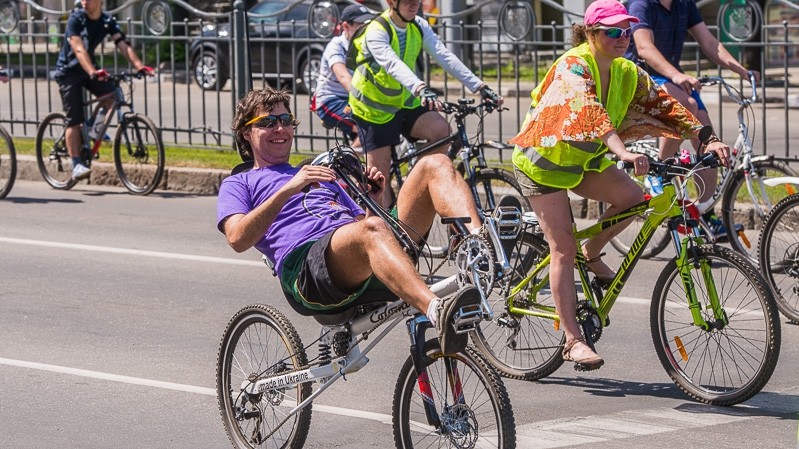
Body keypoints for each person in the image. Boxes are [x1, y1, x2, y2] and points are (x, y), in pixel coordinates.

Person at [509, 0, 731, 370]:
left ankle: (592, 253)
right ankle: (573, 340)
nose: (622, 37)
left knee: (633, 197)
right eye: (613, 32)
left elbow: (666, 105)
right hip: (544, 164)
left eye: (626, 31)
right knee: (562, 246)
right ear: (591, 33)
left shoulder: (627, 71)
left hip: (584, 160)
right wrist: (622, 152)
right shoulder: (573, 65)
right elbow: (588, 109)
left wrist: (707, 138)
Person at [217, 87, 486, 355]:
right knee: (371, 230)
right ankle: (437, 311)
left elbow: (366, 229)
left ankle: (481, 248)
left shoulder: (318, 174)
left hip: (358, 254)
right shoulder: (240, 183)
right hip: (308, 269)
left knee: (435, 163)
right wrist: (288, 188)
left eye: (286, 121)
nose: (280, 129)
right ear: (246, 132)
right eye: (267, 122)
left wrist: (374, 200)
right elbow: (237, 238)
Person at [347, 0, 503, 206]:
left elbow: (443, 54)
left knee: (441, 131)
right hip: (375, 108)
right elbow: (393, 64)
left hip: (406, 101)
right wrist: (420, 87)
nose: (415, 5)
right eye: (409, 1)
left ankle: (415, 187)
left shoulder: (418, 25)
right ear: (392, 2)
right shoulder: (376, 30)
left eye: (418, 1)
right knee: (378, 185)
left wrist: (480, 87)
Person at [625, 0, 760, 237]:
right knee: (686, 106)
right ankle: (660, 171)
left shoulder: (683, 4)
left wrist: (742, 71)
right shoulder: (641, 4)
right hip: (642, 79)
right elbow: (644, 48)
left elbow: (710, 43)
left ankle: (706, 213)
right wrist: (677, 75)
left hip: (672, 80)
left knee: (709, 142)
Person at [54, 0, 154, 181]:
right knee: (74, 120)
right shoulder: (75, 19)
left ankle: (93, 127)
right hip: (69, 72)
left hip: (89, 69)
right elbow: (78, 48)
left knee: (113, 96)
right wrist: (92, 71)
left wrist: (140, 66)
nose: (84, 2)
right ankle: (76, 163)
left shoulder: (107, 21)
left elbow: (122, 44)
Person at [312, 4, 374, 148]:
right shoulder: (336, 46)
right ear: (346, 26)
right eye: (361, 26)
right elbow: (344, 77)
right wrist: (367, 99)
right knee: (368, 130)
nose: (367, 30)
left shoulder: (367, 46)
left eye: (369, 25)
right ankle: (346, 165)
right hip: (331, 101)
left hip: (353, 101)